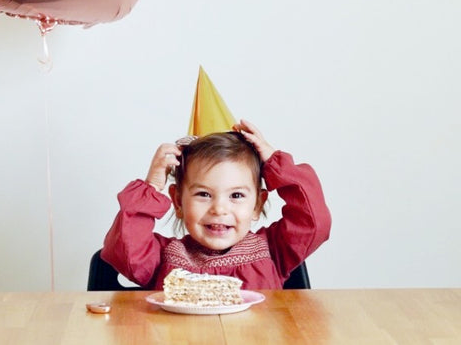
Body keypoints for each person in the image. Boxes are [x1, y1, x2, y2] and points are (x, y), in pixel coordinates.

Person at [101, 119, 330, 290]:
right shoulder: (165, 257)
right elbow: (124, 250)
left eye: (237, 196)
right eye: (203, 194)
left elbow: (313, 222)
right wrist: (150, 188)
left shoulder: (273, 250)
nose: (219, 209)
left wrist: (275, 162)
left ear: (258, 205)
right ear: (178, 202)